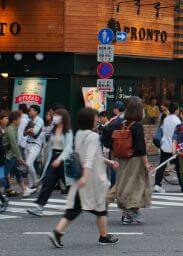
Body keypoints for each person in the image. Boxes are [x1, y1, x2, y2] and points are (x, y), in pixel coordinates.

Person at [48, 108, 119, 248]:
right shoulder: (93, 136)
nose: (97, 120)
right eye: (95, 118)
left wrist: (109, 162)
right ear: (90, 120)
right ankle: (103, 237)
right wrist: (85, 177)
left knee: (76, 208)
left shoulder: (79, 133)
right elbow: (89, 159)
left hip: (81, 178)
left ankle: (57, 232)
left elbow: (90, 155)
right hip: (91, 180)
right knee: (100, 208)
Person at [111, 100, 152, 225]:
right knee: (137, 186)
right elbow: (141, 147)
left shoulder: (122, 123)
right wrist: (146, 163)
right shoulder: (137, 125)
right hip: (135, 161)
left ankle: (126, 214)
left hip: (122, 159)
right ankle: (132, 211)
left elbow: (108, 134)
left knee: (124, 184)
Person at [27, 109, 73, 217]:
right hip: (53, 159)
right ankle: (39, 207)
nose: (55, 117)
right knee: (48, 183)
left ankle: (80, 202)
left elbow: (68, 148)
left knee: (70, 185)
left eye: (57, 116)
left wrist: (59, 159)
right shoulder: (54, 129)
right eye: (54, 115)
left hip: (64, 161)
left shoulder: (68, 131)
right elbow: (50, 146)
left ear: (63, 117)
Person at [154, 102, 181, 193]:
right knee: (178, 166)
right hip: (173, 147)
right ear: (176, 110)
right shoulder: (177, 120)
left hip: (164, 145)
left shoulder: (166, 119)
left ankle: (157, 184)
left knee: (162, 165)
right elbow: (178, 135)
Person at [3, 110, 26, 196]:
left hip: (11, 155)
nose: (21, 121)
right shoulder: (11, 130)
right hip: (8, 155)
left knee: (16, 171)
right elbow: (14, 145)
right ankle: (8, 189)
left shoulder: (14, 129)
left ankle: (24, 189)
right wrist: (20, 158)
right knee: (4, 173)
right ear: (14, 120)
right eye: (20, 118)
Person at [23, 105, 45, 196]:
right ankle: (32, 186)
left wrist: (29, 131)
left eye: (31, 110)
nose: (29, 112)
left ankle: (36, 180)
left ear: (36, 112)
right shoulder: (30, 121)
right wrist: (29, 130)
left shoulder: (39, 120)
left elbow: (35, 132)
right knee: (28, 166)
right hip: (27, 144)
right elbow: (24, 133)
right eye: (29, 111)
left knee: (28, 163)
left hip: (35, 145)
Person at [0, 111, 9, 211]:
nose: (7, 120)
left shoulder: (4, 130)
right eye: (5, 118)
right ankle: (3, 200)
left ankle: (3, 200)